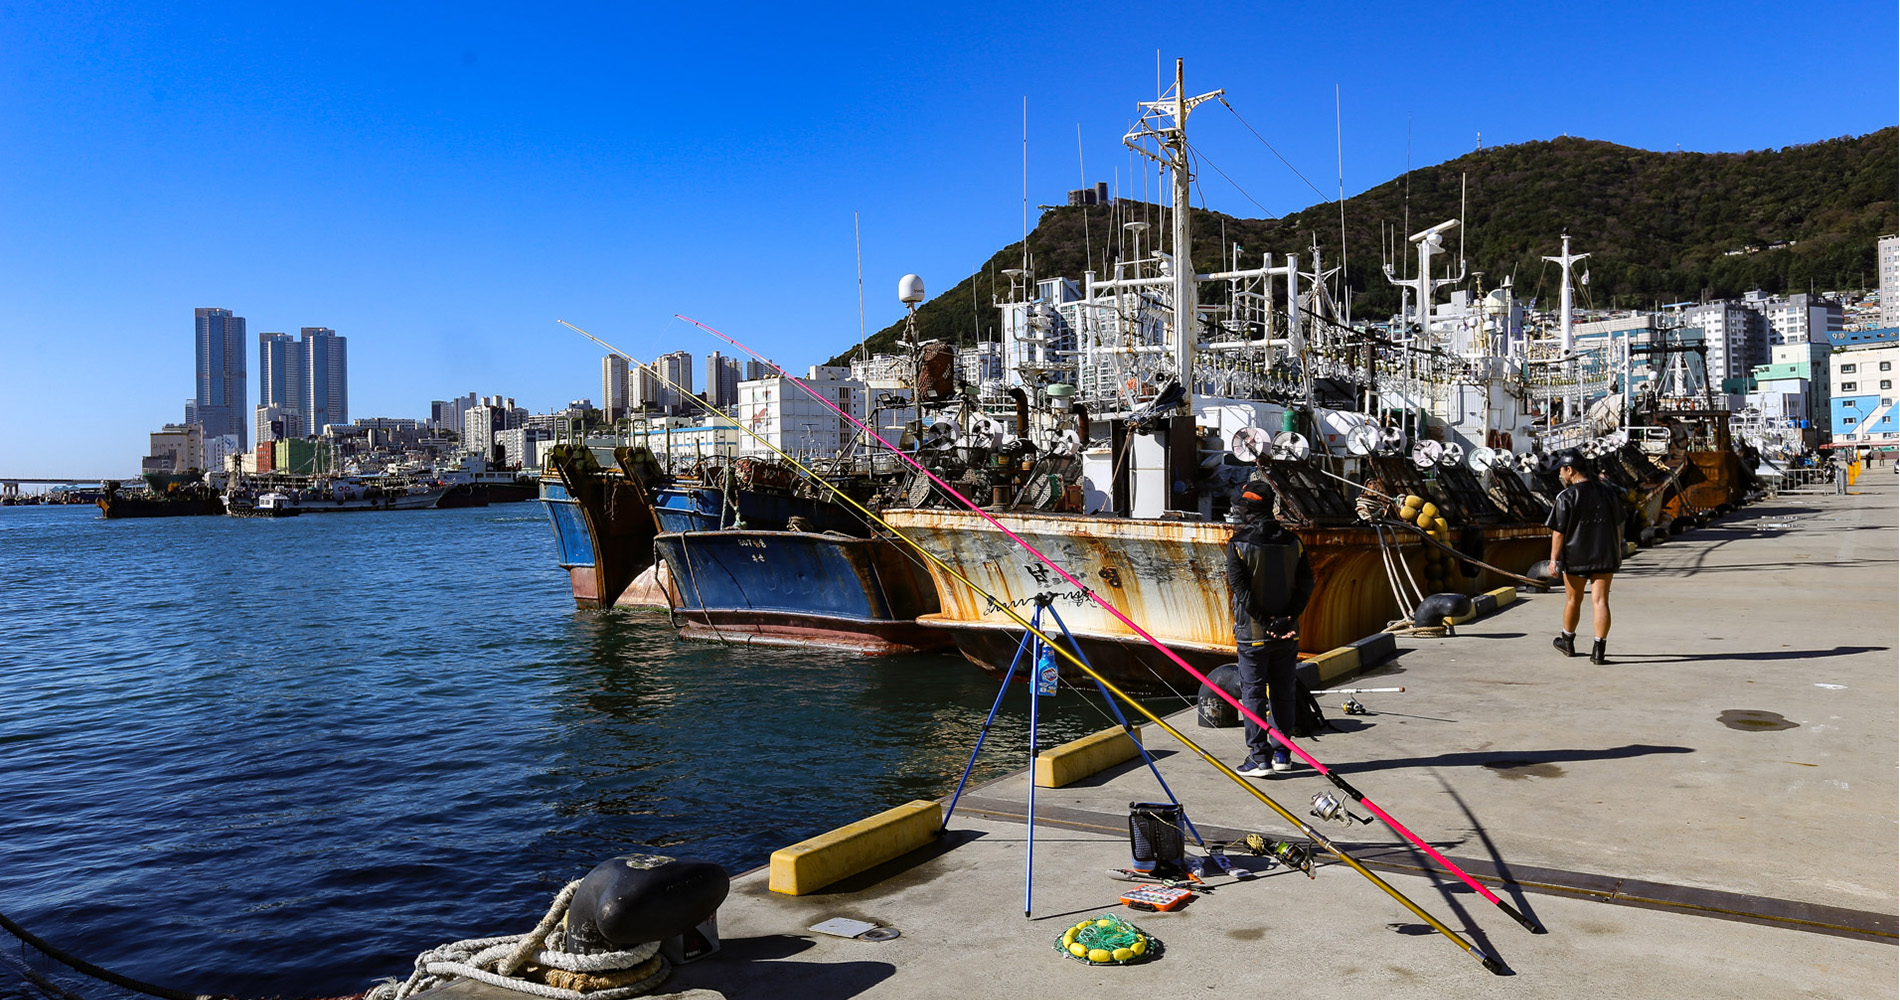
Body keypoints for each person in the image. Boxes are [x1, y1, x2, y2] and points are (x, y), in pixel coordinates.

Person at [1225, 482, 1316, 776]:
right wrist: (1287, 619)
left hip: (1253, 635)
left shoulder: (1238, 544)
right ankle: (1282, 753)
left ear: (1248, 509)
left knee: (1253, 693)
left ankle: (1259, 758)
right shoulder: (1294, 542)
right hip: (1288, 632)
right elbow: (1306, 585)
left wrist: (1267, 624)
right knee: (1283, 691)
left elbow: (1242, 591)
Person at [1546, 449, 1625, 664]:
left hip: (1575, 556)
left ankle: (1567, 641)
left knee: (1573, 599)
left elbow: (1559, 532)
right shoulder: (1608, 492)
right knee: (1600, 601)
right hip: (1604, 553)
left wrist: (1554, 560)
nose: (1561, 475)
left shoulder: (1566, 496)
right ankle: (1599, 651)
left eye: (1561, 471)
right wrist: (1617, 552)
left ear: (1570, 470)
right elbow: (1617, 526)